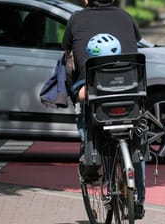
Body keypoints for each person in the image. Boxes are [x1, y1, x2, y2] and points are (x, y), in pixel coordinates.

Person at [62, 0, 146, 219]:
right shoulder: (126, 16)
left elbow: (68, 55)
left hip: (93, 89)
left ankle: (88, 156)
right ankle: (139, 200)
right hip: (129, 87)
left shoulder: (76, 19)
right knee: (136, 138)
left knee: (85, 106)